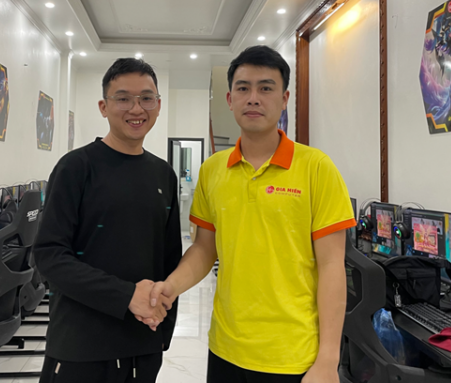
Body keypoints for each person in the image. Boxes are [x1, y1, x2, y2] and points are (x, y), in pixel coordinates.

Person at [142, 46, 355, 383]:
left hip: (293, 355)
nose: (253, 98)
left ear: (284, 99)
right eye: (243, 88)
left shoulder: (317, 168)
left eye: (266, 88)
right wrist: (170, 287)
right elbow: (205, 249)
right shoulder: (212, 170)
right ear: (230, 99)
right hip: (226, 348)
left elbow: (332, 266)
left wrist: (328, 358)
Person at [34, 58, 182, 383]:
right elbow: (49, 255)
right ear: (104, 107)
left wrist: (162, 328)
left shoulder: (164, 174)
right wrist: (126, 295)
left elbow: (170, 259)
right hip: (81, 345)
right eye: (123, 98)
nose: (136, 108)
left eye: (146, 98)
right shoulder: (76, 167)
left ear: (158, 105)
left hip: (143, 343)